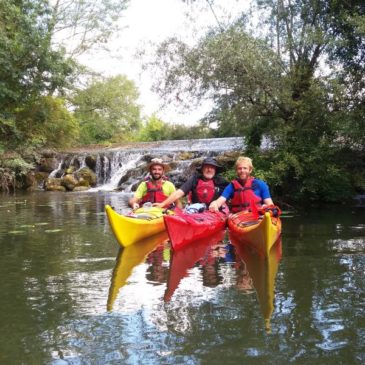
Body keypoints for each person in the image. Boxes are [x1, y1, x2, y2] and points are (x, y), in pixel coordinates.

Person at [153, 157, 228, 209]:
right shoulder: (195, 179)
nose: (209, 169)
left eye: (212, 167)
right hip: (197, 211)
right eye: (206, 167)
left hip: (215, 212)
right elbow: (179, 193)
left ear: (215, 170)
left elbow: (232, 193)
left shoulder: (221, 182)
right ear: (202, 169)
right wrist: (163, 204)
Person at [209, 156, 274, 213]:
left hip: (256, 215)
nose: (242, 171)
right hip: (238, 217)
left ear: (250, 170)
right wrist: (215, 204)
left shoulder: (261, 185)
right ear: (236, 171)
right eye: (239, 168)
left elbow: (270, 204)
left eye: (245, 168)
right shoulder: (231, 186)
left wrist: (267, 208)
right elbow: (221, 200)